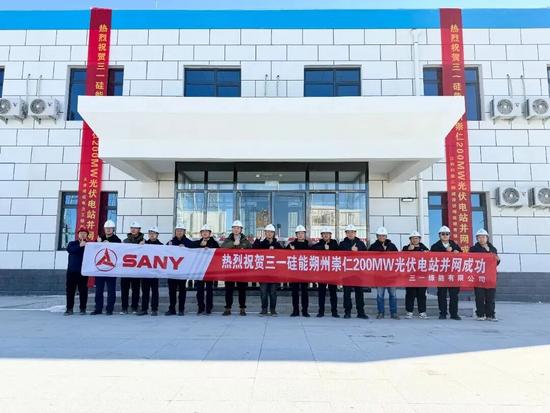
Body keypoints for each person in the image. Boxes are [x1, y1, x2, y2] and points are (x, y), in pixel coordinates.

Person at [431, 225, 462, 320]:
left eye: (447, 234)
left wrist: (457, 252)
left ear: (449, 235)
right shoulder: (435, 246)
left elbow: (462, 257)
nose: (445, 236)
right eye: (443, 234)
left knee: (454, 295)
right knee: (441, 294)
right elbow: (432, 258)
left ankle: (454, 314)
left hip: (453, 274)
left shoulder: (455, 245)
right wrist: (445, 251)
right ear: (439, 235)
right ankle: (443, 313)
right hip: (441, 274)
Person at [221, 220, 251, 316]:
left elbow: (251, 253)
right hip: (229, 269)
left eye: (238, 228)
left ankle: (242, 308)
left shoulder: (246, 241)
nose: (236, 229)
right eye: (234, 228)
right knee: (229, 290)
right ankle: (228, 308)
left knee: (242, 290)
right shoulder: (228, 240)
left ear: (241, 229)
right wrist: (234, 243)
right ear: (232, 229)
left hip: (242, 270)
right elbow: (222, 248)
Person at [91, 220, 121, 316]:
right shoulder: (100, 238)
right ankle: (98, 308)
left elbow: (119, 252)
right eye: (106, 228)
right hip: (100, 269)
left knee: (111, 290)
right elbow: (92, 250)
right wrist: (98, 243)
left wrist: (110, 244)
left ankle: (109, 309)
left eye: (110, 228)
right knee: (99, 290)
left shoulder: (117, 240)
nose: (108, 230)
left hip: (111, 269)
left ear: (113, 229)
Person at [470, 229, 501, 321]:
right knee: (479, 296)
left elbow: (495, 263)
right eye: (479, 237)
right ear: (477, 239)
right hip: (478, 276)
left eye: (483, 237)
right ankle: (480, 314)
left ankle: (490, 314)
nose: (481, 239)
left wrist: (498, 259)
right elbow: (470, 261)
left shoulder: (493, 249)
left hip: (490, 277)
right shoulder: (473, 249)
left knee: (490, 297)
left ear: (487, 238)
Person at [369, 227, 399, 320]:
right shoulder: (373, 246)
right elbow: (368, 258)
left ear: (386, 236)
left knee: (393, 295)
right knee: (380, 296)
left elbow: (398, 258)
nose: (382, 237)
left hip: (391, 276)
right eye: (380, 236)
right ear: (377, 236)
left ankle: (393, 313)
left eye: (383, 236)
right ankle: (381, 312)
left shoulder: (392, 246)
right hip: (379, 276)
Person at [339, 224, 368, 319]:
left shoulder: (361, 244)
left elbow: (366, 256)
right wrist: (350, 250)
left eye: (352, 232)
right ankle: (347, 312)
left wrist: (358, 251)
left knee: (359, 293)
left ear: (355, 233)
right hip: (346, 273)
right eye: (348, 232)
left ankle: (361, 312)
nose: (350, 234)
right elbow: (339, 255)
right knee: (347, 293)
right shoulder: (342, 244)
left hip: (358, 273)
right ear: (346, 233)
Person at [253, 224, 283, 316]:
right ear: (265, 233)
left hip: (274, 273)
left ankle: (273, 310)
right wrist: (257, 240)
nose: (269, 233)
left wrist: (275, 249)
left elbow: (283, 255)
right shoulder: (261, 244)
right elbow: (253, 250)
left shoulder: (277, 244)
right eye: (267, 232)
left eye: (271, 232)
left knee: (273, 292)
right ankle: (264, 309)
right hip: (263, 273)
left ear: (274, 233)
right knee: (263, 292)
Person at [311, 226, 340, 318]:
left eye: (328, 234)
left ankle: (334, 312)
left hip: (332, 273)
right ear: (321, 235)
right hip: (322, 273)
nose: (326, 235)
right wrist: (323, 248)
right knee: (321, 293)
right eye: (324, 234)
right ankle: (321, 311)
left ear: (330, 235)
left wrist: (329, 248)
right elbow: (313, 249)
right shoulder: (319, 244)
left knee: (333, 293)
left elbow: (339, 252)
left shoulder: (335, 244)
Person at [165, 224, 192, 316]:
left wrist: (186, 248)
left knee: (182, 291)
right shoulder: (170, 242)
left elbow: (193, 253)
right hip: (172, 271)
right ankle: (172, 309)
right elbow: (163, 252)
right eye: (177, 230)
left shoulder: (188, 242)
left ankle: (181, 309)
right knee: (172, 291)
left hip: (183, 271)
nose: (179, 232)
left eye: (181, 230)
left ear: (184, 232)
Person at [192, 224, 219, 315]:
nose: (205, 233)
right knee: (199, 290)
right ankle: (200, 307)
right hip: (199, 270)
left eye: (206, 231)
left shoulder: (214, 243)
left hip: (209, 270)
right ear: (201, 233)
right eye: (203, 232)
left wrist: (209, 249)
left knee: (209, 290)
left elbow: (218, 253)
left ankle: (209, 307)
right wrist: (200, 246)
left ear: (210, 233)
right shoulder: (197, 243)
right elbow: (190, 250)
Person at [402, 231, 429, 319]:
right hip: (410, 275)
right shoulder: (405, 248)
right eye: (413, 238)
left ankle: (422, 312)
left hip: (421, 276)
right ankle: (409, 312)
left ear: (419, 239)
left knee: (421, 294)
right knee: (410, 294)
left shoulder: (424, 249)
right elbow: (401, 258)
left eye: (416, 238)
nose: (415, 240)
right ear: (410, 239)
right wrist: (408, 250)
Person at [137, 226, 162, 316]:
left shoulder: (161, 245)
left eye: (153, 233)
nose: (152, 235)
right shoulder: (144, 243)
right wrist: (140, 246)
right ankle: (144, 309)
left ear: (157, 235)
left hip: (155, 272)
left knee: (155, 291)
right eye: (150, 233)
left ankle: (154, 309)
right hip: (145, 271)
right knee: (145, 291)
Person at [287, 225, 311, 317]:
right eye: (299, 233)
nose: (300, 235)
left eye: (302, 233)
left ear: (305, 234)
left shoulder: (309, 245)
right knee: (295, 292)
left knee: (305, 292)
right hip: (294, 272)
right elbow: (283, 254)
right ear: (296, 234)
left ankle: (305, 311)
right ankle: (295, 310)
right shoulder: (291, 244)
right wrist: (291, 250)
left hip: (305, 272)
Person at [65, 226, 89, 316]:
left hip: (83, 272)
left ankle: (83, 309)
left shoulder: (89, 245)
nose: (82, 235)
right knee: (70, 291)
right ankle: (69, 309)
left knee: (83, 291)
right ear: (78, 235)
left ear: (87, 235)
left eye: (84, 233)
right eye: (81, 233)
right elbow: (70, 250)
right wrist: (80, 246)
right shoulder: (72, 243)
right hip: (72, 272)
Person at [121, 221, 144, 314]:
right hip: (125, 269)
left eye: (135, 228)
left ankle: (134, 307)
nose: (133, 230)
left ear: (139, 230)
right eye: (132, 228)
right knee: (124, 290)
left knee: (136, 290)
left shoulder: (143, 241)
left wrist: (144, 246)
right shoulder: (125, 241)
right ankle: (124, 308)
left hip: (136, 270)